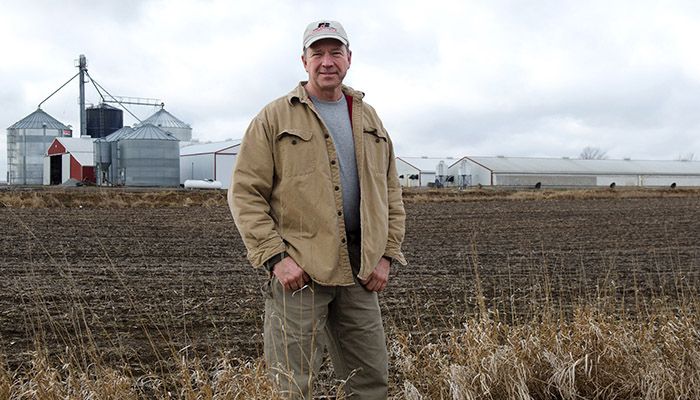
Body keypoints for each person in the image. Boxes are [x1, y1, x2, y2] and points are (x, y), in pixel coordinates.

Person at [228, 20, 406, 399]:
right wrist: (276, 258)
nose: (327, 61)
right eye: (318, 53)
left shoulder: (370, 118)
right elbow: (245, 193)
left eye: (335, 52)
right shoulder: (274, 117)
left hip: (361, 269)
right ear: (304, 60)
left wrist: (387, 254)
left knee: (371, 381)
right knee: (291, 386)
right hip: (301, 269)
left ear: (349, 58)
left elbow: (391, 192)